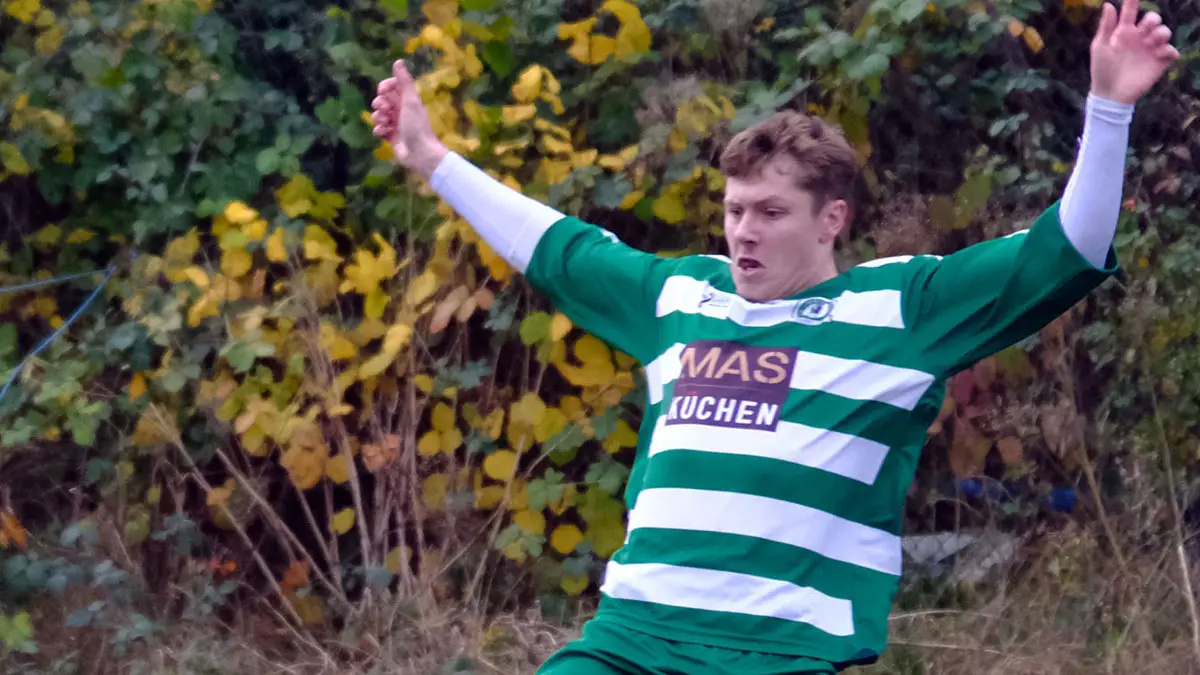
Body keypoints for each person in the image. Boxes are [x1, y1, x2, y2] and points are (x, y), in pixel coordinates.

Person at [371, 0, 1178, 672]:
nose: (743, 232)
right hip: (631, 641)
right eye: (733, 211)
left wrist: (1108, 111)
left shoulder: (901, 308)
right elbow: (556, 246)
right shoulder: (683, 295)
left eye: (769, 212)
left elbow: (1065, 251)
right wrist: (432, 156)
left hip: (781, 653)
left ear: (832, 220)